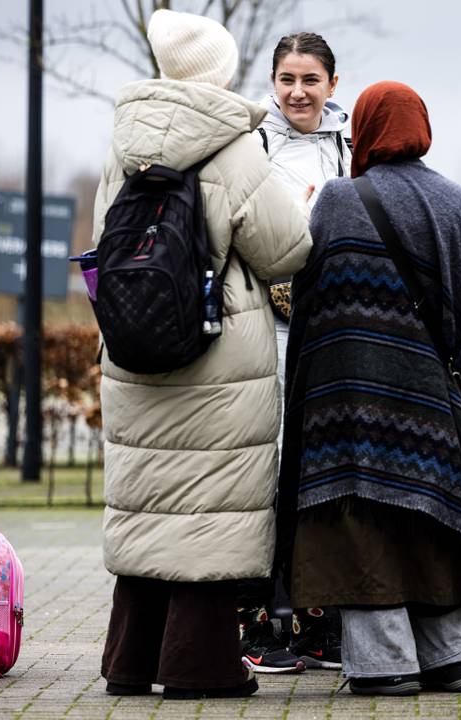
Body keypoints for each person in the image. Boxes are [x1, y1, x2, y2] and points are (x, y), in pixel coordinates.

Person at [91, 9, 312, 700]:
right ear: (221, 71)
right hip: (214, 361)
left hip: (133, 352)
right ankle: (198, 666)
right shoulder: (233, 145)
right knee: (209, 511)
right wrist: (302, 206)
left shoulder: (123, 145)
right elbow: (284, 250)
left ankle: (129, 662)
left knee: (152, 501)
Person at [276, 80, 461, 697]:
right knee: (432, 519)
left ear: (367, 132)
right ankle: (450, 656)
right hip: (432, 403)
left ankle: (384, 665)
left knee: (364, 527)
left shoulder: (336, 199)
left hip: (347, 404)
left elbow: (309, 311)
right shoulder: (460, 204)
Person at [239, 30, 350, 676]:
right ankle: (261, 622)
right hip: (266, 336)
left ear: (333, 84)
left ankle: (319, 623)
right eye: (287, 79)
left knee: (320, 476)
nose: (298, 92)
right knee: (267, 476)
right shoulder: (251, 147)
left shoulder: (352, 149)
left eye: (311, 80)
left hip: (329, 334)